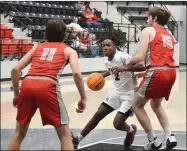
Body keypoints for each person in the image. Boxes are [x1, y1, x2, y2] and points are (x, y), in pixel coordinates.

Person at [8, 19, 87, 151]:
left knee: (18, 134)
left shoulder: (37, 47)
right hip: (47, 85)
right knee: (65, 136)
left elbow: (15, 70)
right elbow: (77, 74)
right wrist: (83, 98)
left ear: (46, 34)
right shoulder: (69, 51)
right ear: (65, 35)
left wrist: (16, 94)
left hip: (27, 84)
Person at [71, 35, 146, 149]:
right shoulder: (106, 60)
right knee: (98, 114)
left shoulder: (123, 56)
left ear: (115, 46)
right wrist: (101, 76)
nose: (105, 48)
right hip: (117, 92)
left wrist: (124, 69)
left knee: (117, 124)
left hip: (130, 94)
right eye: (103, 45)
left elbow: (141, 67)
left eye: (108, 45)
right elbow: (111, 69)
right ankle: (78, 139)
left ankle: (131, 130)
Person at [120, 7, 177, 150]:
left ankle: (153, 140)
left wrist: (127, 62)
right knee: (156, 105)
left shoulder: (148, 30)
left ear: (155, 18)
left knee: (137, 105)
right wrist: (145, 73)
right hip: (170, 72)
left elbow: (140, 57)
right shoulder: (169, 35)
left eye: (148, 17)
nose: (147, 20)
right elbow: (160, 58)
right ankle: (170, 136)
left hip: (157, 73)